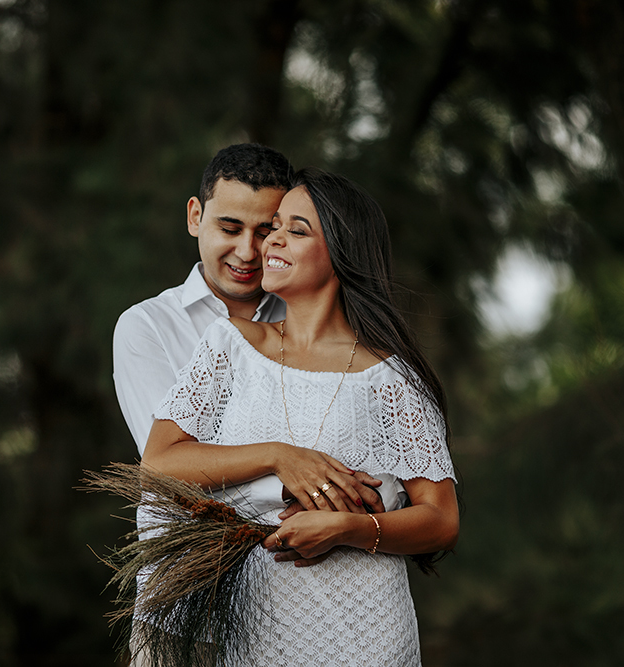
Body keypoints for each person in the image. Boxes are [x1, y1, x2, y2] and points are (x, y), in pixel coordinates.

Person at [142, 167, 459, 664]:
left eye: (296, 230)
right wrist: (277, 457)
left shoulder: (392, 378)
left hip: (365, 627)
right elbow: (158, 464)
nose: (271, 241)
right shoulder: (231, 345)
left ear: (339, 251)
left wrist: (348, 530)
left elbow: (441, 519)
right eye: (276, 226)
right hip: (253, 620)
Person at [113, 144, 390, 516]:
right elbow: (170, 473)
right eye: (229, 228)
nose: (247, 252)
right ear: (195, 217)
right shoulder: (147, 327)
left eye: (266, 230)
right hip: (194, 563)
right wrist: (287, 468)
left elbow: (378, 463)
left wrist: (343, 500)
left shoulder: (317, 319)